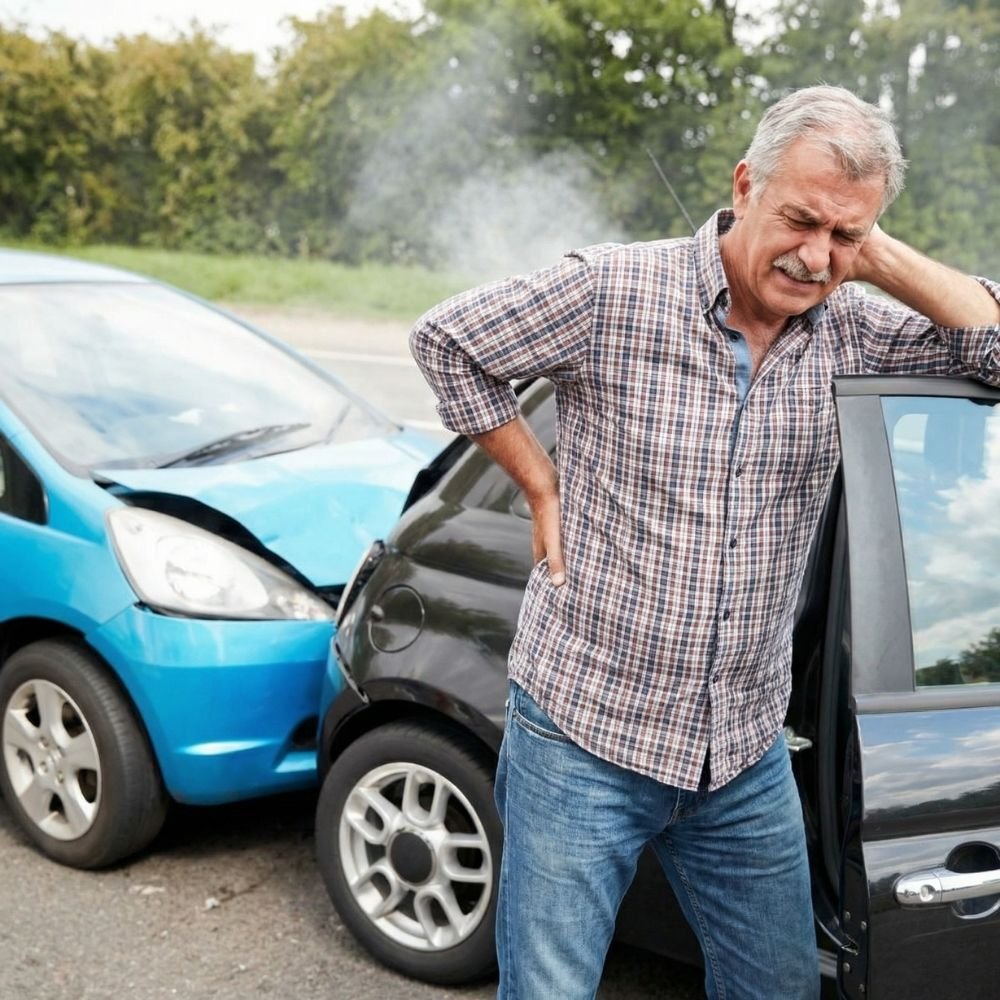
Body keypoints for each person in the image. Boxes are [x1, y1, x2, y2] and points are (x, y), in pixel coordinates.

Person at [409, 85, 1000, 999]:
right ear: (745, 184)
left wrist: (875, 257)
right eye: (802, 220)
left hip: (741, 752)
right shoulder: (614, 290)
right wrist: (539, 479)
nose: (815, 258)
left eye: (846, 236)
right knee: (551, 989)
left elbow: (992, 348)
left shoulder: (855, 325)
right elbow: (447, 341)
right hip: (582, 734)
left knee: (776, 989)